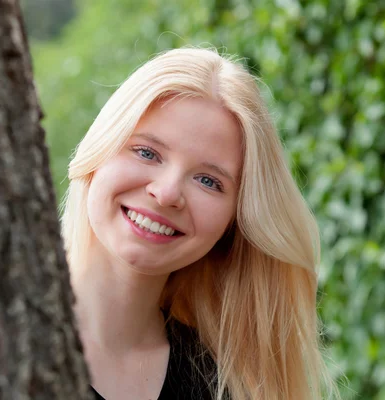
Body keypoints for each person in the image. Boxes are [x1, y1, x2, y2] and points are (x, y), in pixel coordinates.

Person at [61, 47, 336, 400]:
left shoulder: (224, 387)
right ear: (98, 152)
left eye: (208, 181)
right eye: (147, 152)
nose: (167, 192)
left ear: (233, 224)